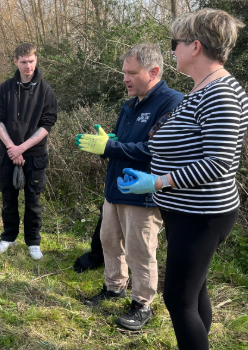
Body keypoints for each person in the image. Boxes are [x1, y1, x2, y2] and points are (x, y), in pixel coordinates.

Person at [117, 9, 248, 349]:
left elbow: (217, 164)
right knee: (194, 291)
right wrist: (153, 173)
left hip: (202, 215)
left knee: (178, 299)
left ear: (195, 46)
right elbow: (187, 147)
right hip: (184, 210)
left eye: (175, 43)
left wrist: (157, 183)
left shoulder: (221, 93)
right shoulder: (201, 88)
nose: (172, 50)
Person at [76, 44, 183, 330]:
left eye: (132, 73)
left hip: (143, 194)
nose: (125, 79)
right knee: (109, 241)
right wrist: (109, 141)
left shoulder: (172, 103)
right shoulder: (130, 103)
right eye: (124, 72)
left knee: (140, 251)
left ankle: (141, 304)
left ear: (154, 71)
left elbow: (156, 150)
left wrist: (111, 146)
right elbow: (123, 144)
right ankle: (113, 288)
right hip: (115, 189)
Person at [0, 43, 57, 260]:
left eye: (31, 61)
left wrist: (22, 148)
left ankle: (33, 242)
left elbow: (47, 125)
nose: (28, 66)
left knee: (33, 201)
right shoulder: (5, 88)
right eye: (23, 62)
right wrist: (12, 147)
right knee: (8, 198)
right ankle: (8, 237)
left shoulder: (46, 90)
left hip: (35, 156)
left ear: (36, 60)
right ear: (15, 62)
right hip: (8, 154)